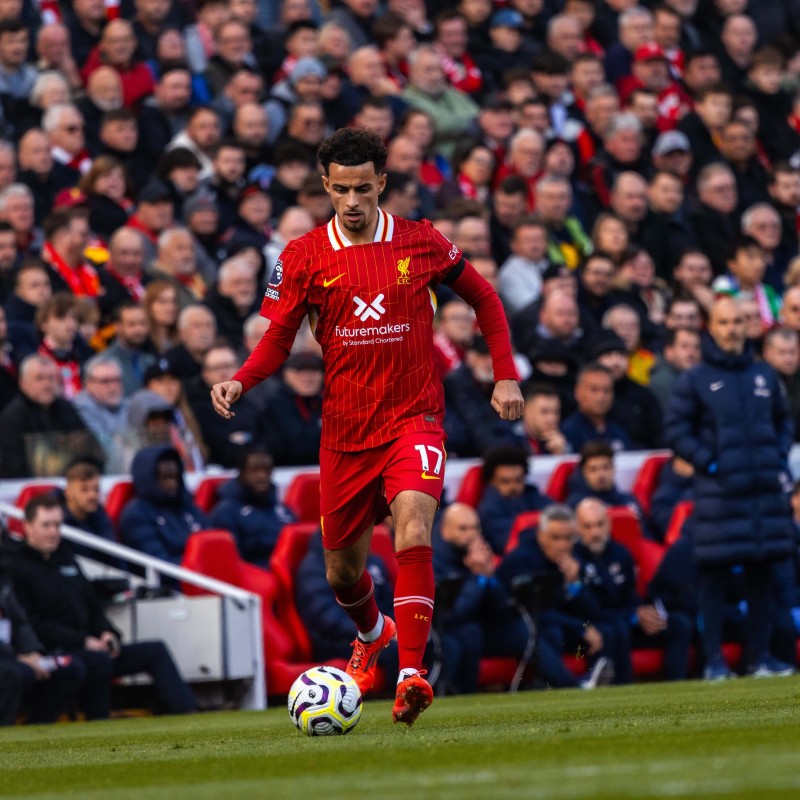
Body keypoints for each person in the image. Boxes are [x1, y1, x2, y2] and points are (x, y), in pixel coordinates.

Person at [210, 127, 522, 726]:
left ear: (382, 182)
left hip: (415, 420)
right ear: (325, 185)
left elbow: (485, 299)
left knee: (413, 526)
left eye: (363, 188)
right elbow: (277, 338)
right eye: (340, 190)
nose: (352, 202)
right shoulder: (302, 257)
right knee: (343, 572)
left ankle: (410, 673)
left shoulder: (420, 241)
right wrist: (241, 380)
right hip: (346, 434)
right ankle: (373, 633)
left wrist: (504, 375)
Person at [664, 296, 796, 679]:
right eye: (724, 323)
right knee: (714, 580)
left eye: (739, 321)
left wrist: (777, 453)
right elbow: (675, 430)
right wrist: (710, 462)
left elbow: (783, 422)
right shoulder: (696, 379)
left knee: (762, 577)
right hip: (719, 495)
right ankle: (714, 662)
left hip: (763, 495)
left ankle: (758, 659)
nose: (732, 329)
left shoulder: (764, 376)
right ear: (712, 327)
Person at [3, 494, 196, 720]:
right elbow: (32, 623)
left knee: (155, 650)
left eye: (57, 525)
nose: (53, 532)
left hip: (91, 644)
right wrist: (82, 641)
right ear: (27, 526)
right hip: (56, 648)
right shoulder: (15, 567)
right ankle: (98, 723)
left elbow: (92, 605)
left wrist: (108, 633)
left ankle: (189, 716)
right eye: (46, 525)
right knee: (97, 661)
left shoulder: (66, 558)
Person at [496, 504, 616, 689]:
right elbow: (532, 611)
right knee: (550, 631)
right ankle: (574, 686)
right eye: (555, 538)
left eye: (568, 538)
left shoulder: (574, 558)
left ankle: (611, 685)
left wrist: (575, 583)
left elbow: (593, 611)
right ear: (541, 536)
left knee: (605, 629)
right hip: (511, 626)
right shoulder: (521, 560)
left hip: (555, 624)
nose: (562, 545)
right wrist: (580, 627)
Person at [574, 498, 693, 682]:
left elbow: (631, 597)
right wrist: (634, 615)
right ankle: (622, 689)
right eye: (587, 526)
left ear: (608, 525)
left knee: (678, 623)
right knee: (615, 628)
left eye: (599, 525)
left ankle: (675, 687)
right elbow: (588, 610)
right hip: (597, 623)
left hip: (626, 618)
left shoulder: (621, 553)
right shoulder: (574, 559)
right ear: (577, 529)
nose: (595, 532)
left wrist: (644, 612)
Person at [433, 502, 528, 694]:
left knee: (520, 629)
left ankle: (535, 687)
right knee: (469, 632)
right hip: (446, 631)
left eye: (475, 527)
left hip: (481, 629)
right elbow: (453, 614)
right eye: (463, 529)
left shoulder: (479, 557)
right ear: (445, 531)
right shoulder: (434, 560)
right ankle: (461, 695)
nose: (472, 534)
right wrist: (478, 578)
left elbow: (502, 611)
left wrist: (490, 577)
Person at [0, 563, 85, 726]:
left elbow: (20, 622)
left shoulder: (4, 576)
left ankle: (38, 725)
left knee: (71, 667)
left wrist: (31, 651)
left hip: (16, 655)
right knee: (13, 674)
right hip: (8, 658)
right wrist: (15, 657)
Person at [0, 353, 99, 478]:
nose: (47, 384)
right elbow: (15, 466)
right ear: (22, 383)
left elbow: (90, 449)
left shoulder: (66, 408)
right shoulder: (12, 418)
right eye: (39, 378)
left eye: (51, 378)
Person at [119, 445, 209, 565]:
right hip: (169, 580)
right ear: (148, 478)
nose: (172, 484)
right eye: (164, 478)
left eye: (175, 477)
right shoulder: (136, 515)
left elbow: (211, 540)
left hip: (203, 575)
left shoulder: (187, 506)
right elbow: (159, 563)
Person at [209, 447, 295, 568]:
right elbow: (230, 562)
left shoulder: (284, 511)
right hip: (251, 577)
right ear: (242, 472)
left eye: (266, 470)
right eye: (255, 470)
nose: (262, 476)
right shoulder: (225, 513)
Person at [476, 444, 555, 555]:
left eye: (518, 480)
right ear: (491, 481)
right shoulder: (489, 511)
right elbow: (508, 545)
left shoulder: (536, 497)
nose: (513, 487)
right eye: (505, 481)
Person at [561, 363, 631, 454]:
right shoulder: (568, 432)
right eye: (594, 390)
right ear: (577, 392)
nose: (601, 397)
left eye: (606, 390)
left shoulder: (619, 431)